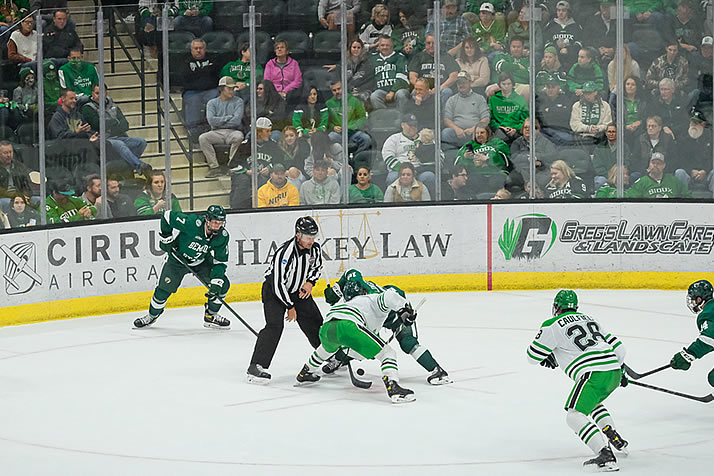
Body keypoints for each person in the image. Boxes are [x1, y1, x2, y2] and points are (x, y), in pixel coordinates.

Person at [527, 289, 629, 472]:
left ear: (556, 307)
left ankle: (604, 454)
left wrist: (550, 354)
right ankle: (613, 435)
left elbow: (532, 356)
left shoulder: (552, 324)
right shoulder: (591, 319)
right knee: (592, 404)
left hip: (593, 373)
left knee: (574, 415)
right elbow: (620, 349)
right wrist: (620, 371)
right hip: (612, 371)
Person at [322, 268, 452, 386]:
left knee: (407, 342)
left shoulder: (373, 300)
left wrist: (405, 313)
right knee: (354, 337)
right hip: (379, 306)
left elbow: (368, 339)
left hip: (395, 310)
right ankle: (339, 360)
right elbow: (350, 271)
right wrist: (336, 291)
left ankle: (438, 371)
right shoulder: (355, 281)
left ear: (364, 292)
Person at [296, 285, 417, 403]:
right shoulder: (374, 299)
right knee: (387, 353)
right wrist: (405, 309)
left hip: (327, 328)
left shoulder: (348, 301)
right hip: (349, 326)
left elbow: (360, 344)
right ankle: (393, 386)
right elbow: (389, 295)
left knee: (326, 350)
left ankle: (305, 372)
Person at [247, 216, 324, 384]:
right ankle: (256, 366)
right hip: (275, 292)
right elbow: (277, 283)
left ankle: (329, 355)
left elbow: (317, 267)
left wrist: (310, 282)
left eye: (313, 237)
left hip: (298, 291)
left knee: (316, 322)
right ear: (298, 235)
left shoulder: (315, 249)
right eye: (308, 237)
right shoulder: (285, 252)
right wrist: (290, 306)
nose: (311, 241)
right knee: (274, 326)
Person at [133, 205, 231, 330]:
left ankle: (210, 316)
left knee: (223, 285)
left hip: (201, 262)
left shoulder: (222, 236)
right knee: (163, 290)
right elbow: (167, 216)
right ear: (207, 219)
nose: (217, 225)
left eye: (220, 223)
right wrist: (167, 239)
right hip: (177, 260)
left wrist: (216, 283)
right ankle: (152, 315)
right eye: (215, 222)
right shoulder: (192, 224)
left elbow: (220, 262)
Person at [82, 84, 151, 175]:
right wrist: (115, 122)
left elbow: (125, 125)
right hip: (102, 139)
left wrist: (110, 126)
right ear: (92, 94)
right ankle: (139, 165)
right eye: (97, 93)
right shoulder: (88, 108)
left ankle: (127, 163)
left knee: (141, 142)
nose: (100, 96)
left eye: (102, 93)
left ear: (106, 93)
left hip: (118, 136)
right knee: (120, 144)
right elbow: (98, 125)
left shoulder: (113, 105)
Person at [229, 116, 284, 209]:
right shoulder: (245, 146)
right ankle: (237, 209)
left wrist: (270, 168)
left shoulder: (273, 146)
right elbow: (232, 166)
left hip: (264, 177)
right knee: (243, 180)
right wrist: (246, 171)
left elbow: (280, 162)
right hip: (246, 178)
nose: (270, 134)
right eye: (267, 131)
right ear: (259, 132)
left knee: (263, 180)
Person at [670, 280, 714, 389]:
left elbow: (709, 339)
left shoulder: (707, 314)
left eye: (693, 299)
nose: (692, 302)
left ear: (700, 299)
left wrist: (688, 355)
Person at [198, 76, 245, 178]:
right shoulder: (212, 103)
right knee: (203, 138)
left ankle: (231, 166)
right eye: (229, 88)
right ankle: (214, 167)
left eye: (233, 88)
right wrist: (229, 117)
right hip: (217, 132)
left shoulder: (238, 101)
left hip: (233, 131)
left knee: (239, 137)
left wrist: (219, 120)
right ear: (221, 89)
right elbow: (211, 121)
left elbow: (236, 121)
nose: (232, 91)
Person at [382, 113, 436, 193]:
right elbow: (388, 157)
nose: (413, 128)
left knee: (429, 176)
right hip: (399, 171)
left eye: (415, 125)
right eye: (410, 125)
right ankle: (393, 204)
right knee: (392, 178)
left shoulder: (425, 138)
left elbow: (439, 156)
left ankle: (430, 204)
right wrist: (404, 170)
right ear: (403, 125)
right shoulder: (394, 138)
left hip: (420, 170)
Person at [454, 124, 512, 196]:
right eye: (476, 133)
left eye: (482, 132)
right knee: (473, 181)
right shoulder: (468, 145)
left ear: (488, 133)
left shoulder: (497, 142)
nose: (479, 135)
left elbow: (506, 160)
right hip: (476, 174)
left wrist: (488, 159)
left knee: (496, 181)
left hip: (497, 173)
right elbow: (457, 164)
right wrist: (465, 158)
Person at [408, 33, 459, 106]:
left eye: (434, 43)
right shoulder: (419, 57)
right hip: (423, 89)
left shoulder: (447, 57)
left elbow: (454, 76)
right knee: (414, 92)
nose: (431, 45)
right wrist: (423, 88)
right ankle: (417, 116)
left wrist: (440, 88)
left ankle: (444, 116)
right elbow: (412, 76)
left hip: (442, 89)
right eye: (428, 43)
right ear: (425, 44)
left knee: (447, 92)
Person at [181, 39, 219, 135]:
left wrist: (197, 73)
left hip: (210, 90)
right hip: (192, 92)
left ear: (205, 49)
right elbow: (186, 78)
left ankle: (215, 127)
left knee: (216, 97)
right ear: (191, 50)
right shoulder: (185, 61)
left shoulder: (212, 59)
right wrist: (205, 72)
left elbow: (214, 78)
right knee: (193, 100)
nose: (198, 50)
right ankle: (193, 131)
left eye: (201, 48)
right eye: (196, 48)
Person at [442, 71, 490, 148]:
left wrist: (474, 129)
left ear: (470, 83)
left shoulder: (479, 98)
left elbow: (486, 119)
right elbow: (447, 120)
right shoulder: (452, 100)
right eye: (459, 83)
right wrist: (457, 129)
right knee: (446, 133)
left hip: (475, 132)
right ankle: (453, 154)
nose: (461, 85)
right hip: (457, 133)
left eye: (464, 82)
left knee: (482, 132)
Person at [326, 79, 371, 155]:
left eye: (339, 89)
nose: (337, 92)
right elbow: (326, 121)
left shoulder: (354, 101)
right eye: (334, 90)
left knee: (366, 139)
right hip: (338, 135)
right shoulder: (328, 103)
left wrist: (349, 127)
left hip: (354, 133)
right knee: (330, 137)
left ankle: (356, 158)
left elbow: (362, 118)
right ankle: (339, 159)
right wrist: (333, 127)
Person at [509, 119, 557, 190]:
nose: (527, 129)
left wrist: (538, 159)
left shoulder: (546, 142)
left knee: (544, 179)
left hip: (541, 171)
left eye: (531, 127)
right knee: (510, 179)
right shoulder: (517, 142)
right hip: (521, 171)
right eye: (525, 127)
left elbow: (552, 155)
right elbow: (514, 157)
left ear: (537, 130)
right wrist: (529, 158)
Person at [370, 35, 410, 111]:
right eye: (382, 45)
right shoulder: (373, 58)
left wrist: (393, 91)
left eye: (387, 45)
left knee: (401, 94)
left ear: (392, 46)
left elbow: (403, 77)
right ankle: (385, 119)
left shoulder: (400, 57)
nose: (385, 47)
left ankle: (401, 119)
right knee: (374, 96)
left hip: (398, 90)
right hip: (381, 90)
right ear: (378, 46)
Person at [626, 152, 692, 198]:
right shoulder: (641, 182)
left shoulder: (673, 180)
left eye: (658, 163)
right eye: (653, 163)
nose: (655, 165)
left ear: (664, 165)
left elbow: (687, 196)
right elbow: (629, 198)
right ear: (649, 164)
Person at [488, 72, 529, 144]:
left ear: (513, 84)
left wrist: (515, 128)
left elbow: (525, 119)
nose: (506, 86)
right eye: (503, 84)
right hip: (499, 131)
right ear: (499, 85)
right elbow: (490, 118)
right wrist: (500, 127)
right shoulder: (493, 99)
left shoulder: (520, 99)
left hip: (517, 132)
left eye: (509, 84)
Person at [542, 0, 583, 68]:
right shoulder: (550, 25)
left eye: (563, 11)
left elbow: (579, 43)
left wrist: (568, 50)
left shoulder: (576, 26)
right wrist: (557, 49)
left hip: (571, 57)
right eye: (558, 10)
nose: (560, 13)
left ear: (568, 12)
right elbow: (546, 42)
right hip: (554, 57)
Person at [592, 123, 632, 190]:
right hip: (604, 177)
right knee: (600, 181)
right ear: (606, 133)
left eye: (613, 132)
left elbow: (627, 163)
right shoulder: (599, 148)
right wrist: (610, 177)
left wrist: (618, 176)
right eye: (609, 132)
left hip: (621, 176)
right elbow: (597, 167)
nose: (611, 134)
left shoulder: (624, 147)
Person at [263, 39, 303, 105]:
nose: (279, 49)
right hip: (273, 95)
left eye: (282, 47)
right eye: (277, 48)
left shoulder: (294, 63)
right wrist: (277, 93)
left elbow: (298, 80)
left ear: (287, 51)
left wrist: (285, 91)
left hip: (290, 94)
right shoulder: (270, 64)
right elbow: (267, 81)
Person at [0, 141, 33, 210]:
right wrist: (14, 196)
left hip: (20, 196)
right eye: (5, 153)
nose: (9, 155)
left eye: (10, 152)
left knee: (37, 199)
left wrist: (25, 196)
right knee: (5, 202)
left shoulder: (19, 166)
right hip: (4, 198)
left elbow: (28, 185)